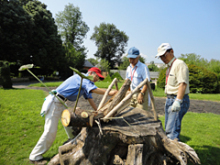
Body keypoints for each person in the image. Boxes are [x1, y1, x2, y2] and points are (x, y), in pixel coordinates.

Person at [29, 67, 117, 164]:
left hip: (61, 102)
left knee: (71, 127)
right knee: (50, 131)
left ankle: (71, 144)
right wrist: (111, 93)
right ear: (91, 73)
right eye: (96, 76)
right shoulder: (83, 78)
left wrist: (97, 111)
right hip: (55, 101)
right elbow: (93, 90)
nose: (97, 79)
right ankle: (35, 156)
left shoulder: (87, 82)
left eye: (99, 78)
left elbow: (89, 98)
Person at [155, 43, 190, 141]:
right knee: (168, 129)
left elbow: (182, 84)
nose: (162, 58)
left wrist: (178, 101)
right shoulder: (169, 66)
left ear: (172, 51)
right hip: (170, 99)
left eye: (164, 55)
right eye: (160, 57)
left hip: (177, 99)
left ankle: (173, 155)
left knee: (172, 132)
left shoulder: (179, 64)